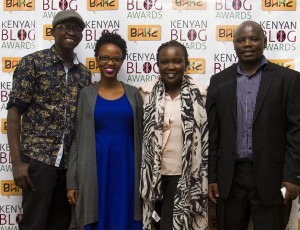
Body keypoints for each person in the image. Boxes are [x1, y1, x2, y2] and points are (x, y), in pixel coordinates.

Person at [206, 20, 300, 230]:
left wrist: (293, 176)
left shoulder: (289, 80)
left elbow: (296, 132)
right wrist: (212, 177)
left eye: (254, 38)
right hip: (229, 179)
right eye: (241, 39)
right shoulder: (218, 81)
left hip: (273, 178)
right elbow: (213, 134)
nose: (247, 43)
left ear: (264, 42)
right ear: (234, 45)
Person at [6, 10, 91, 230]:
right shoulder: (33, 63)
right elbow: (14, 114)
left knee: (60, 224)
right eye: (65, 26)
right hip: (38, 159)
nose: (71, 31)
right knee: (34, 224)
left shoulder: (83, 74)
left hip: (67, 165)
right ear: (53, 31)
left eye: (77, 28)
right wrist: (17, 163)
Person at [66, 31, 143, 230]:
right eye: (105, 57)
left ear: (122, 61)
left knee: (125, 215)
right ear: (97, 60)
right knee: (96, 216)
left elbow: (142, 137)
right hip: (94, 168)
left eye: (116, 58)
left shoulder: (134, 94)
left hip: (127, 168)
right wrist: (72, 181)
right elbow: (77, 139)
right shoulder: (86, 94)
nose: (110, 63)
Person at [139, 40, 208, 230]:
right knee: (155, 224)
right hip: (152, 177)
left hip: (184, 176)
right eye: (164, 61)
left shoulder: (201, 96)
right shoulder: (144, 94)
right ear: (157, 64)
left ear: (186, 64)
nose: (171, 67)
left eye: (177, 61)